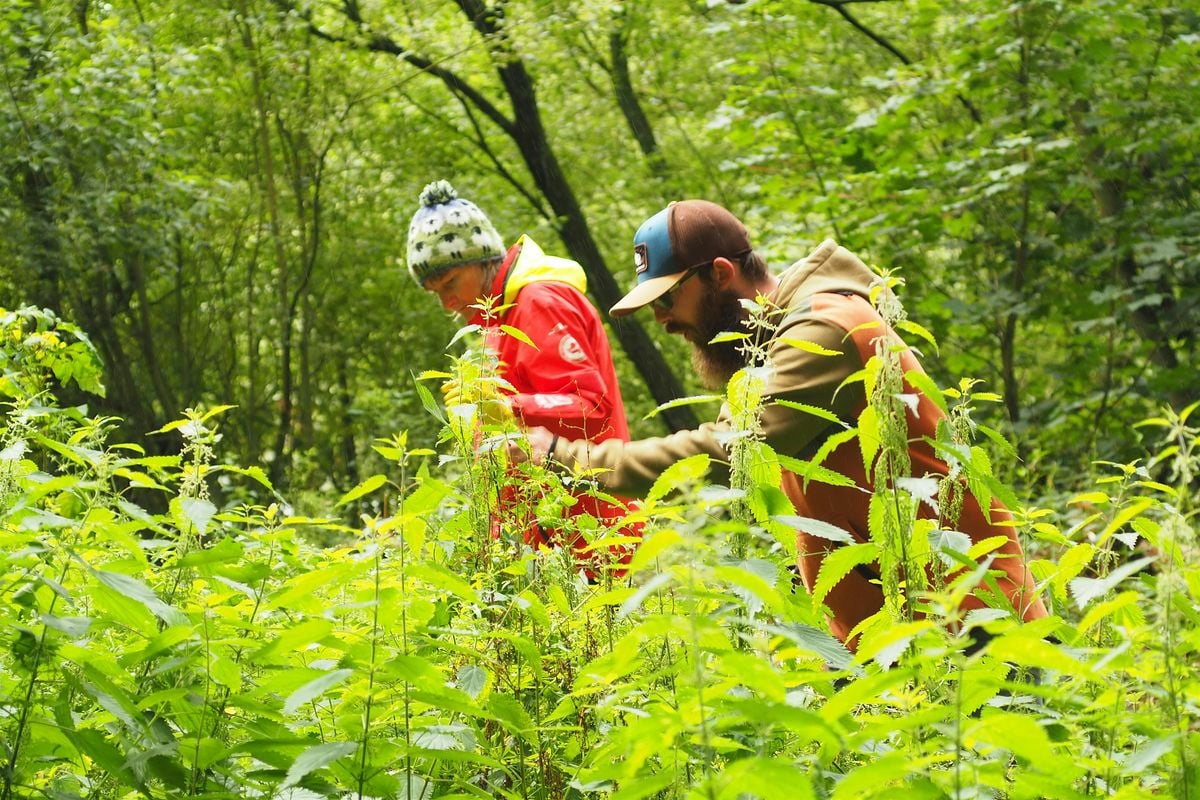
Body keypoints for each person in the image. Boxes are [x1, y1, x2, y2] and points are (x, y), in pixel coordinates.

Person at [513, 199, 1048, 647]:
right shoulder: (772, 350)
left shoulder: (824, 330)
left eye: (669, 297)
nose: (662, 319)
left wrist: (563, 457)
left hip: (971, 624)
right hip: (897, 640)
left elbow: (726, 451)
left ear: (720, 274)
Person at [406, 179, 639, 573]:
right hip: (549, 546)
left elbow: (592, 403)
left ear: (484, 261)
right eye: (435, 292)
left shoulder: (538, 302)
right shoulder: (502, 318)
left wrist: (507, 406)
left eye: (450, 283)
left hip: (591, 536)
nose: (446, 302)